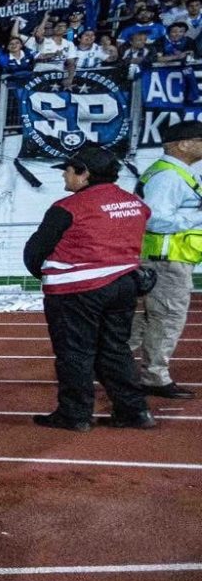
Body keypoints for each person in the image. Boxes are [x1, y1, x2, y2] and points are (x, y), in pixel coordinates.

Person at [22, 144, 153, 431]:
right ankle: (134, 411)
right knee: (115, 349)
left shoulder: (67, 208)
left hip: (77, 290)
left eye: (68, 171)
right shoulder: (134, 203)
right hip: (123, 284)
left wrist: (47, 275)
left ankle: (75, 415)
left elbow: (35, 250)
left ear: (84, 174)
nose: (64, 177)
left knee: (75, 353)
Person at [132, 121, 202, 400]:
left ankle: (112, 366)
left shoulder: (171, 173)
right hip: (166, 260)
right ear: (182, 144)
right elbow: (157, 219)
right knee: (166, 319)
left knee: (143, 320)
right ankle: (154, 377)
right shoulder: (170, 177)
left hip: (163, 258)